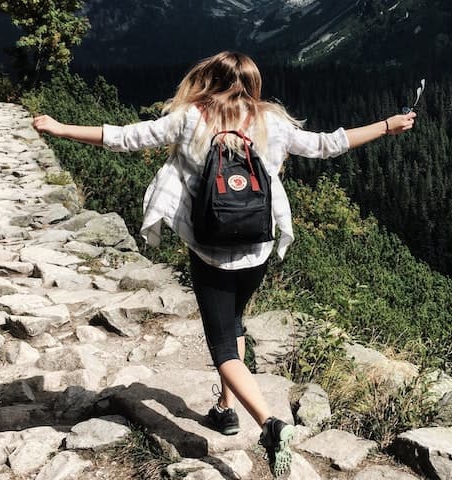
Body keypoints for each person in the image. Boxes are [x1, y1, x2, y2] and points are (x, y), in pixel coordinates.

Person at [32, 51, 416, 477]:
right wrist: (387, 125)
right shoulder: (272, 121)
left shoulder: (189, 118)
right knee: (235, 323)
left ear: (208, 80)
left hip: (210, 251)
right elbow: (328, 145)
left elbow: (126, 137)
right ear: (253, 84)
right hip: (257, 248)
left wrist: (60, 128)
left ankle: (269, 425)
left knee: (221, 345)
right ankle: (224, 409)